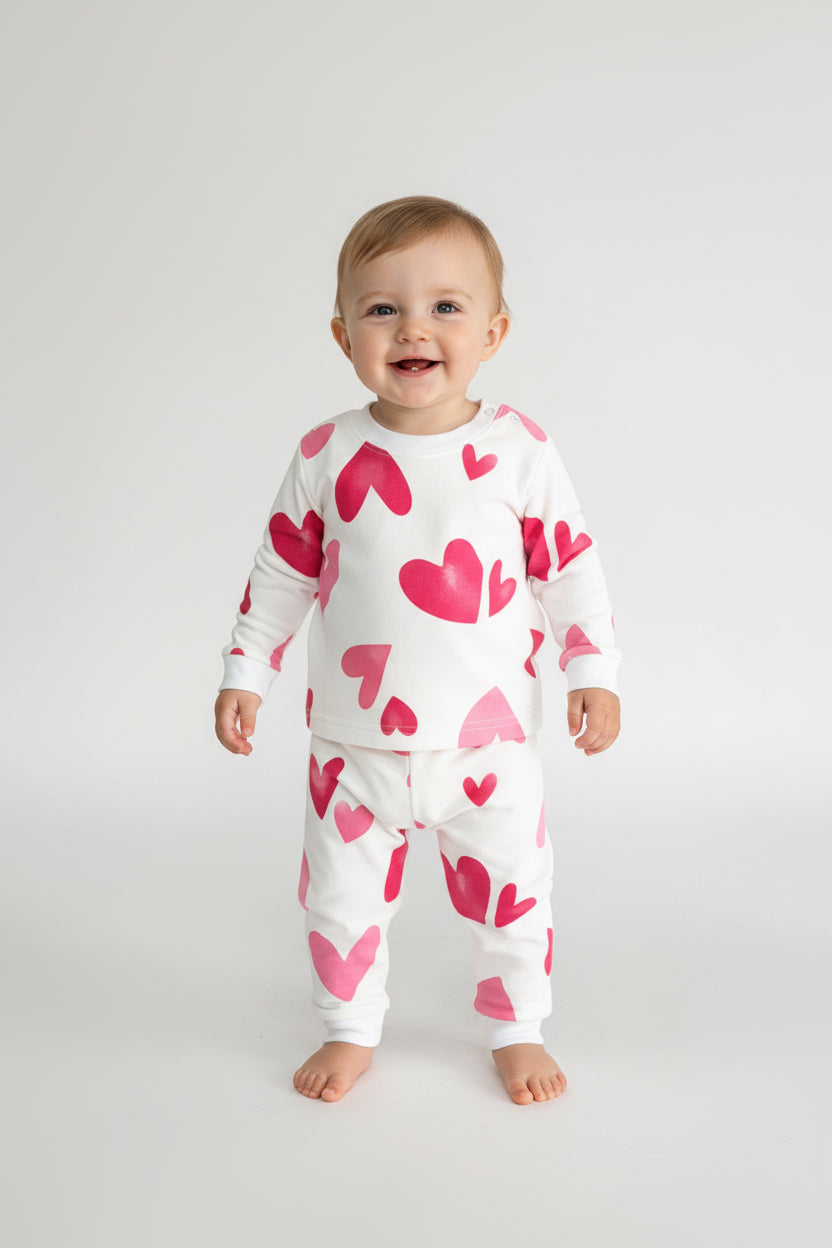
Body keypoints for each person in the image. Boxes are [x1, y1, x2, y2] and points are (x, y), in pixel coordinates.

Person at [214, 195, 621, 1105]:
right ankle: (349, 1026)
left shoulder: (519, 450)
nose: (413, 328)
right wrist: (248, 670)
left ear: (494, 331)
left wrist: (591, 670)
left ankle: (516, 1026)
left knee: (514, 893)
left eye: (445, 306)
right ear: (342, 333)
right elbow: (282, 571)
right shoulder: (327, 452)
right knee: (339, 899)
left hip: (489, 747)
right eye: (381, 308)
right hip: (353, 746)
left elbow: (569, 566)